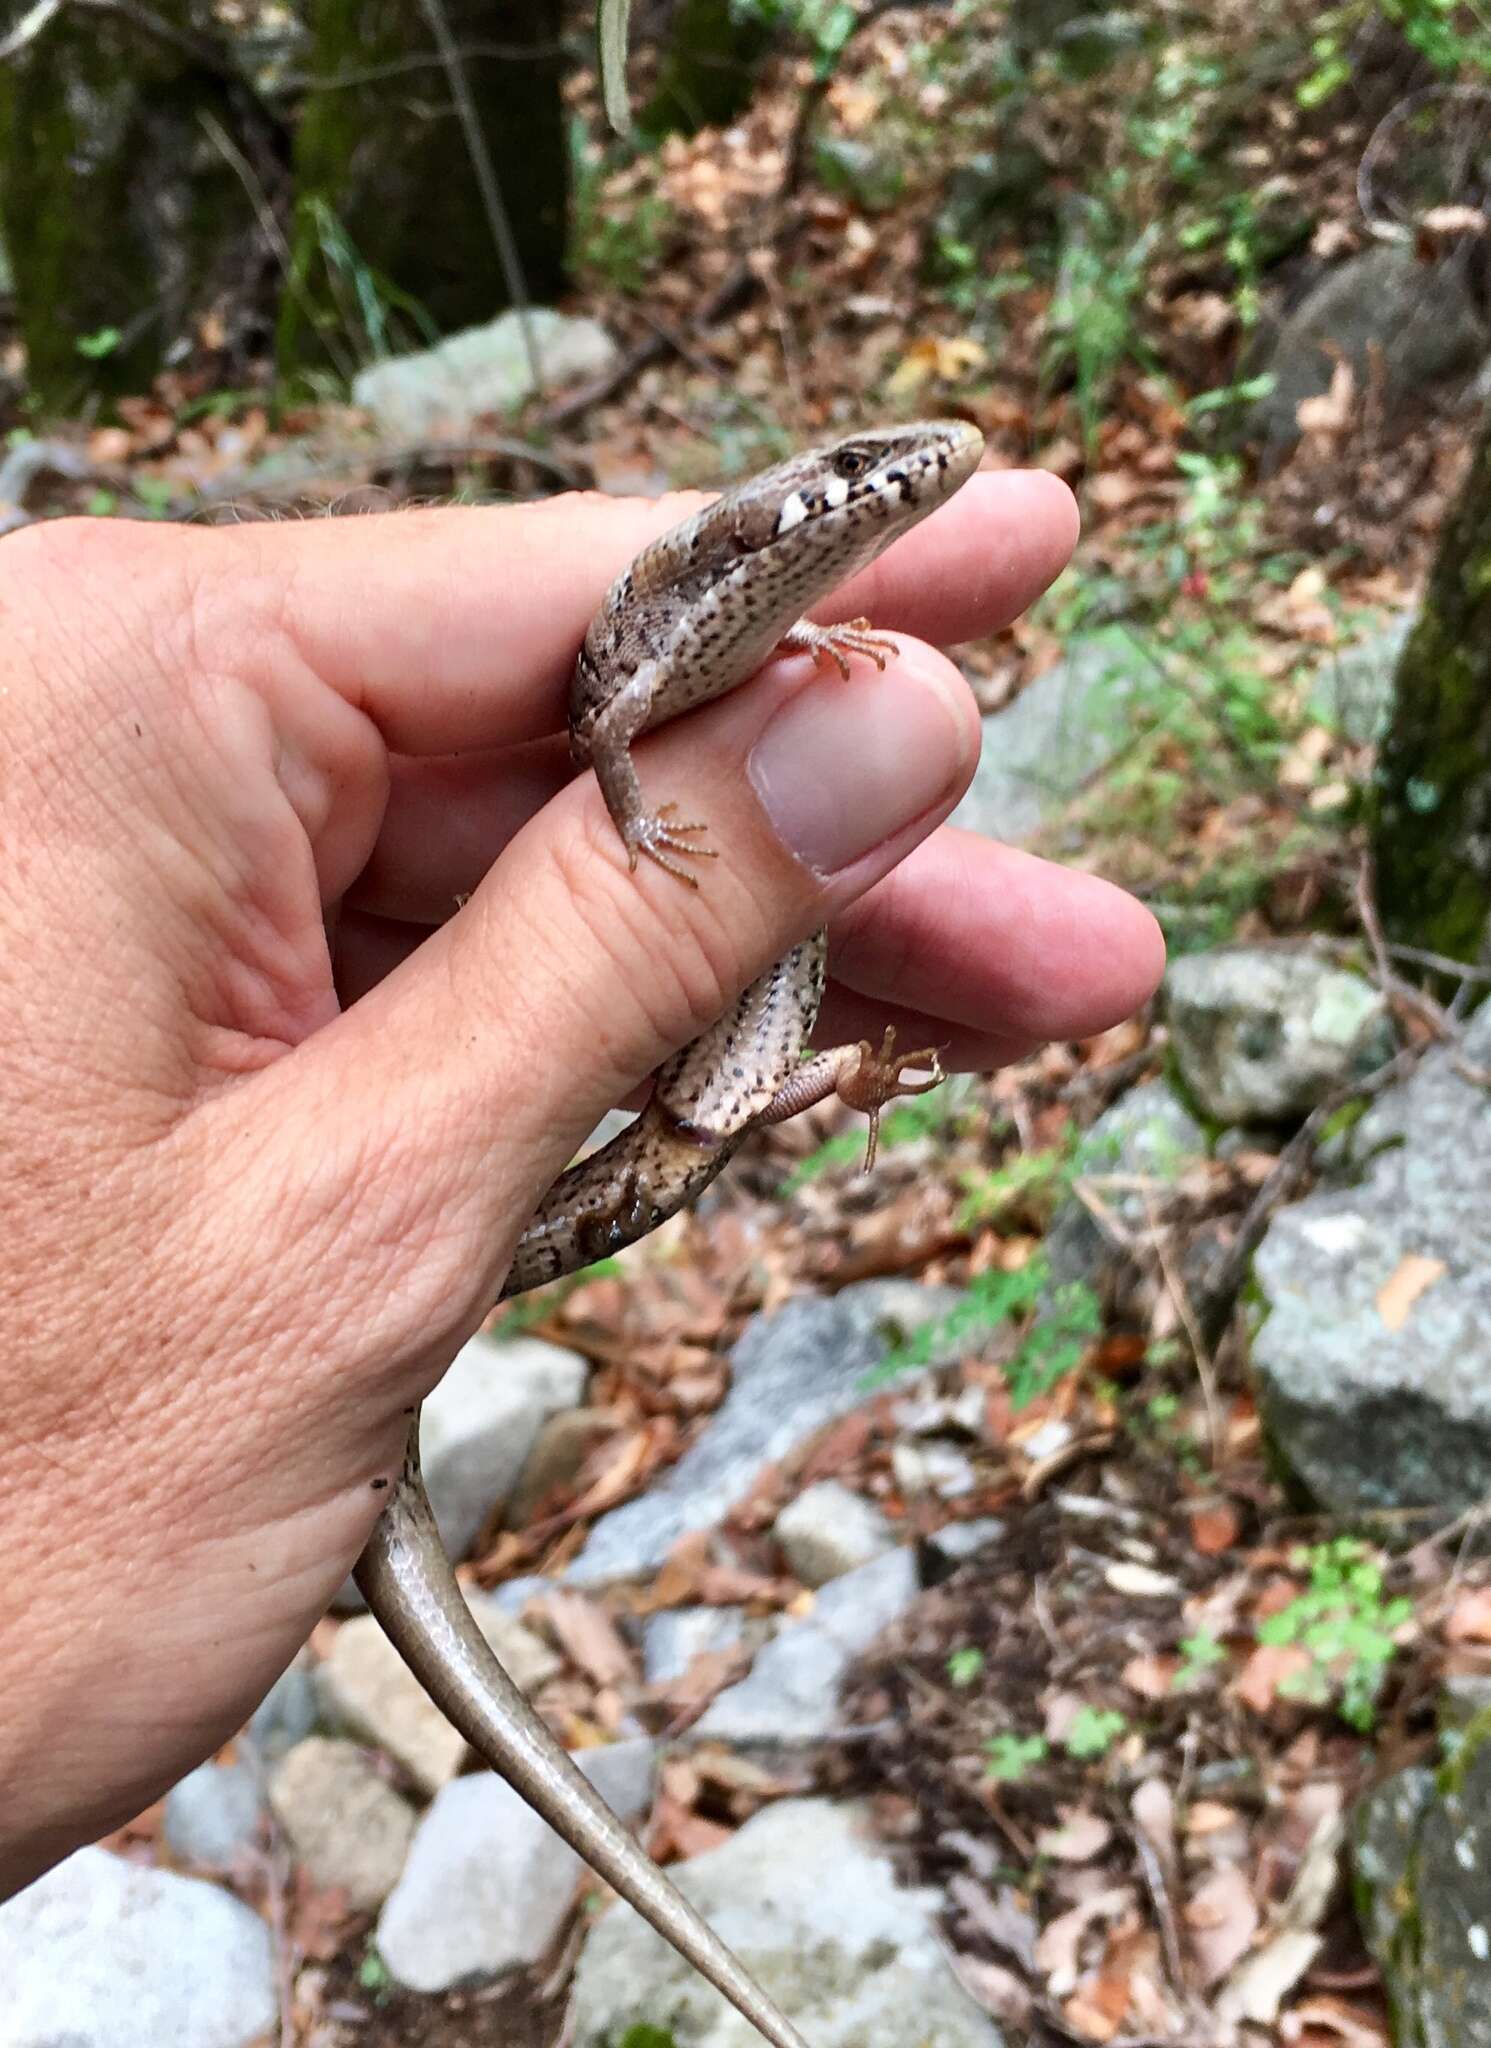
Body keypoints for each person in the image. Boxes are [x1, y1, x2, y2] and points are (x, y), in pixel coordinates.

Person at [0, 470, 1163, 1900]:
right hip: (697, 1106)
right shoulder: (700, 636)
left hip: (706, 1099)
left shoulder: (765, 631)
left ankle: (354, 1355)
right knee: (643, 1153)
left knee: (663, 1138)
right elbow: (632, 753)